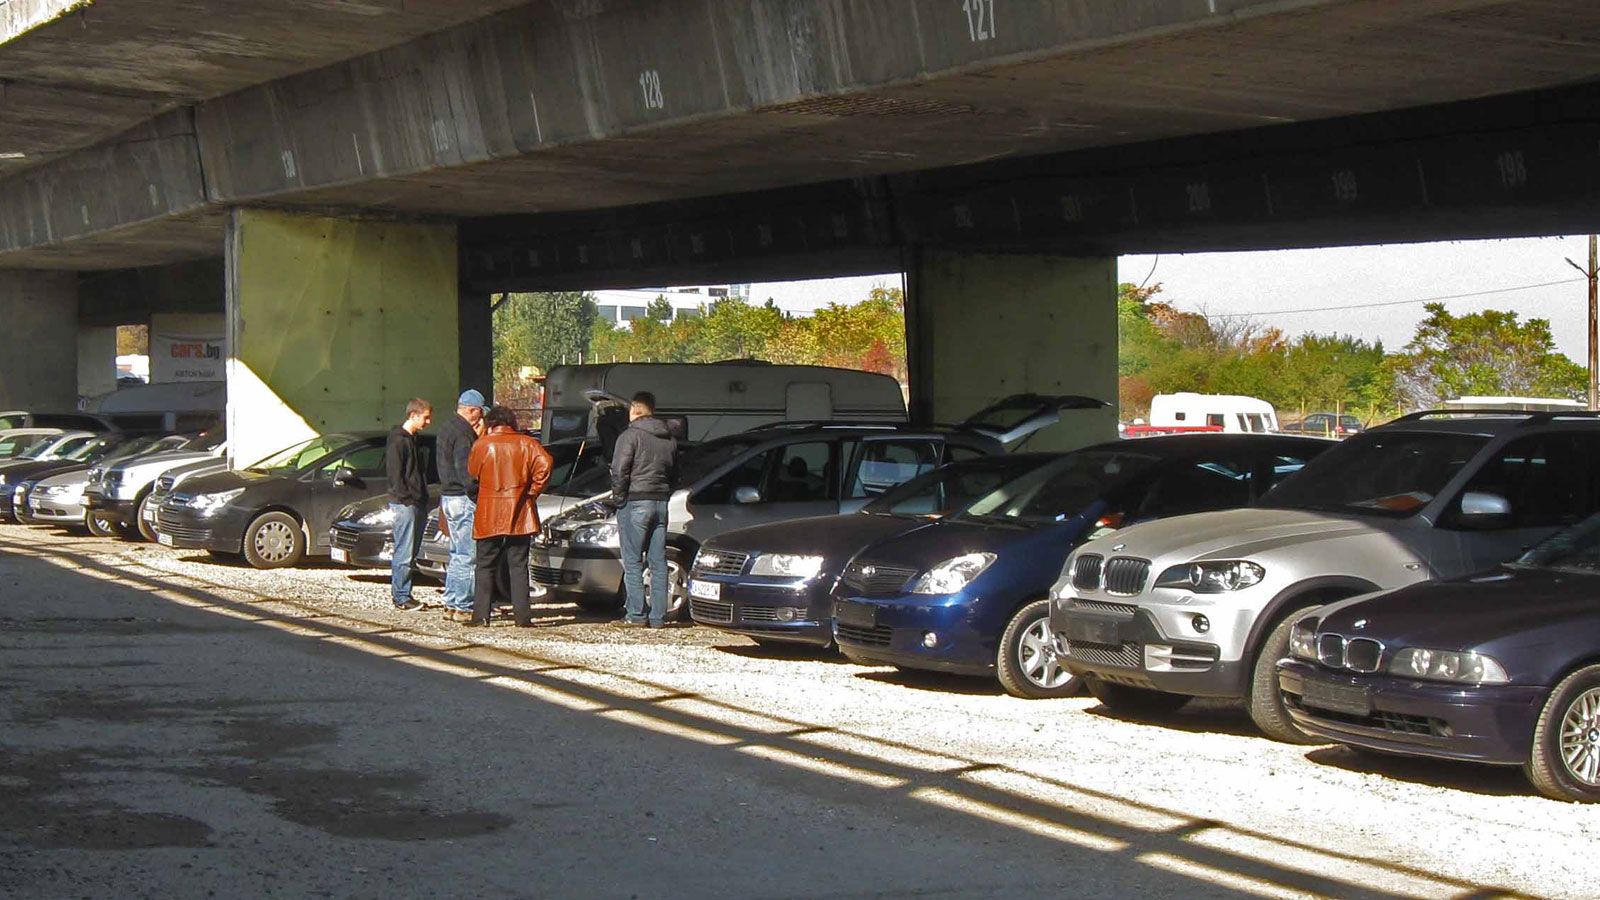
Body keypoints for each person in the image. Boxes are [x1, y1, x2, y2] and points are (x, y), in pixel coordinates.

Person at [466, 405, 553, 627]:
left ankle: (481, 616)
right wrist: (531, 492)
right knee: (518, 565)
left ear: (491, 423)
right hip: (520, 511)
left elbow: (472, 475)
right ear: (511, 422)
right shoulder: (528, 444)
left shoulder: (482, 445)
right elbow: (546, 465)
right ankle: (522, 618)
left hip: (489, 511)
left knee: (485, 565)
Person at [609, 391, 678, 627]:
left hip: (635, 501)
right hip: (661, 502)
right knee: (658, 562)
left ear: (634, 410)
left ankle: (636, 614)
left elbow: (619, 470)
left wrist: (619, 499)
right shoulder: (669, 439)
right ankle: (658, 617)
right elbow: (675, 473)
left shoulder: (630, 436)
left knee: (633, 561)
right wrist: (664, 493)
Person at [436, 389, 486, 623]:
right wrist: (476, 494)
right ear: (473, 410)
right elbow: (466, 470)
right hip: (462, 498)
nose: (481, 418)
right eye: (480, 413)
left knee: (456, 553)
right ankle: (464, 607)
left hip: (448, 496)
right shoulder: (464, 433)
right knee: (468, 555)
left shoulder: (446, 427)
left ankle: (451, 602)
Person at [385, 397, 432, 611]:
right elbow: (395, 475)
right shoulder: (398, 441)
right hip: (405, 503)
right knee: (404, 551)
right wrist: (407, 498)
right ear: (413, 415)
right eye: (425, 417)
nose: (428, 422)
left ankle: (404, 593)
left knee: (410, 551)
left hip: (415, 501)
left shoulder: (413, 439)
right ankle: (401, 596)